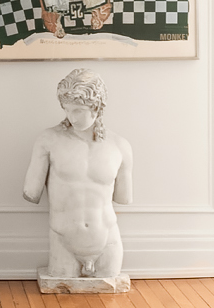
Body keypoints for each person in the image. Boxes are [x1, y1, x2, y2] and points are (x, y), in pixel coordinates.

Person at [23, 68, 133, 292]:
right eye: (67, 109)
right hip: (63, 242)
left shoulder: (120, 146)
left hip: (108, 242)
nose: (72, 117)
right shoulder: (48, 141)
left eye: (78, 110)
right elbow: (31, 192)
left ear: (97, 107)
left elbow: (124, 197)